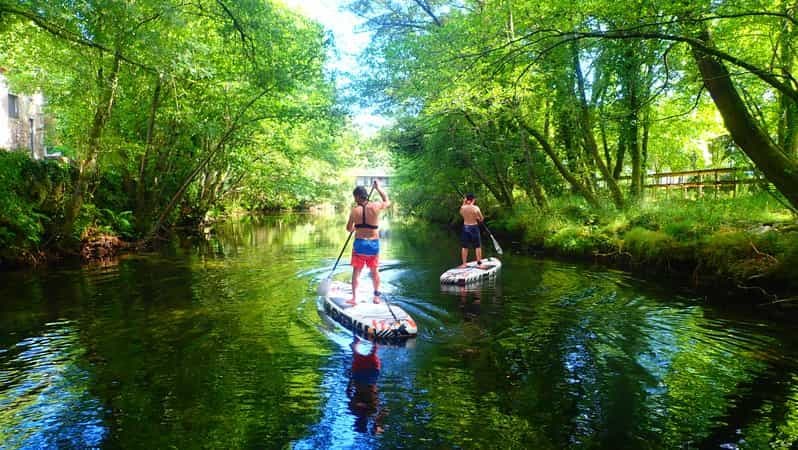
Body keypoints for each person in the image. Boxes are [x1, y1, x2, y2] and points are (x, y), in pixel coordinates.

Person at [347, 179, 391, 304]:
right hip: (373, 245)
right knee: (374, 271)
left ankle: (354, 298)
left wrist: (356, 227)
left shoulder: (354, 211)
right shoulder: (376, 206)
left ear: (357, 196)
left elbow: (349, 228)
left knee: (357, 271)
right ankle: (376, 297)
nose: (354, 199)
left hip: (360, 245)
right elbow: (387, 201)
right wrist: (378, 188)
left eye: (354, 197)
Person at [347, 336, 387, 434]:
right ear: (356, 422)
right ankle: (363, 337)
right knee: (361, 352)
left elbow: (384, 410)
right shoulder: (353, 410)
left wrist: (377, 424)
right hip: (361, 373)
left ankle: (367, 336)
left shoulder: (371, 411)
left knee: (366, 352)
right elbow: (348, 392)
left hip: (368, 372)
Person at [459, 193, 485, 268]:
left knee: (464, 247)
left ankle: (464, 264)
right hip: (474, 228)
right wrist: (477, 217)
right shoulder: (476, 208)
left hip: (465, 228)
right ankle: (479, 264)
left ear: (466, 200)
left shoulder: (462, 208)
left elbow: (461, 213)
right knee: (477, 246)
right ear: (473, 199)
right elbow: (481, 219)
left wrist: (464, 202)